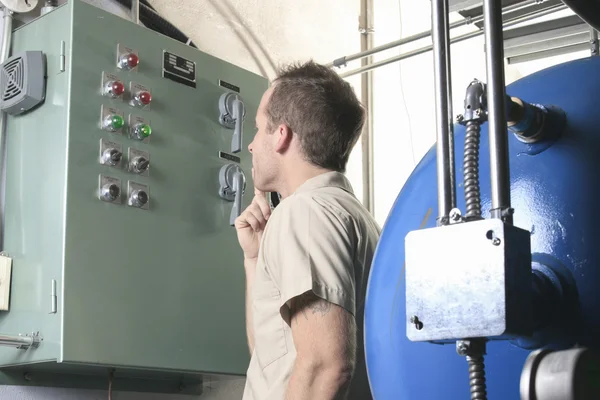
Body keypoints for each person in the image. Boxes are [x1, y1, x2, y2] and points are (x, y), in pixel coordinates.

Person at [235, 60, 380, 400]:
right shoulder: (356, 218)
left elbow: (325, 365)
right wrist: (254, 258)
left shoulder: (305, 212)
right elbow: (271, 359)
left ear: (282, 135)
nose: (251, 145)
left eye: (259, 129)